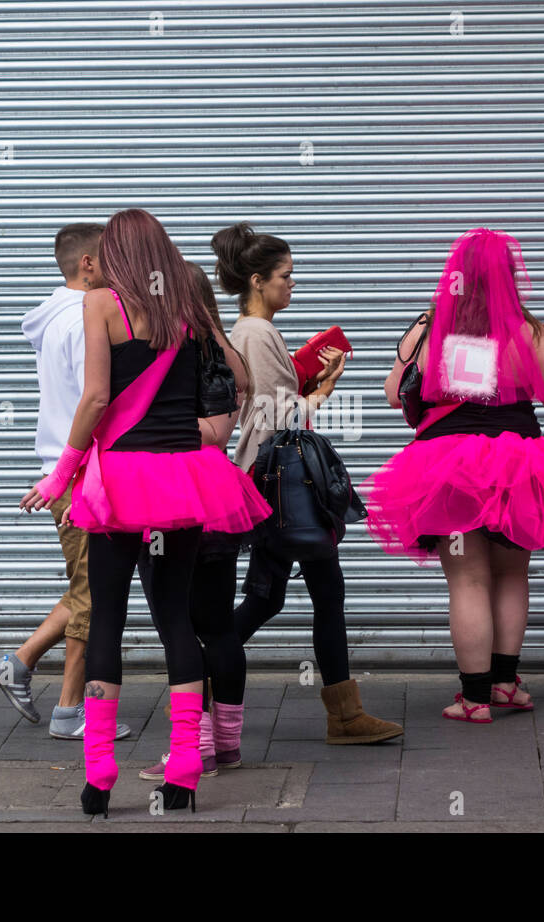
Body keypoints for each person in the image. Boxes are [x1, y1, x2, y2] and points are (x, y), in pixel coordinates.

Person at [20, 209, 271, 816]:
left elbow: (98, 397)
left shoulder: (102, 304)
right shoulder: (186, 307)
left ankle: (99, 776)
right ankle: (185, 765)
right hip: (184, 478)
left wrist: (61, 471)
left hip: (121, 483)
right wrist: (200, 425)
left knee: (106, 620)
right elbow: (240, 379)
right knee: (176, 624)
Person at [365, 228, 544, 723]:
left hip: (446, 465)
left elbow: (392, 393)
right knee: (512, 573)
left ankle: (474, 700)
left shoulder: (429, 328)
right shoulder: (527, 330)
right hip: (518, 462)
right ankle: (506, 685)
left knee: (467, 580)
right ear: (509, 277)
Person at [212, 222, 403, 745]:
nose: (292, 285)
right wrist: (328, 388)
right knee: (315, 592)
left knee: (275, 595)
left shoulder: (251, 332)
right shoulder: (256, 332)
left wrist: (311, 381)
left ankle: (209, 671)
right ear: (257, 281)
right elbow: (280, 417)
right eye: (286, 277)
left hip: (271, 481)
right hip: (282, 484)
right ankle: (339, 714)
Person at [0, 222, 128, 742]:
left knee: (89, 586)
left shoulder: (55, 318)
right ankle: (71, 711)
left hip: (68, 472)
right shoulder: (80, 321)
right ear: (88, 264)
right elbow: (94, 403)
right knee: (94, 594)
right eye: (110, 259)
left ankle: (19, 663)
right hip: (80, 475)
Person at [138, 262, 253, 781]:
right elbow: (238, 397)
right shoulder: (220, 347)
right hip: (219, 492)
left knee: (175, 624)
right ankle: (227, 743)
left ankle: (196, 744)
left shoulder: (158, 347)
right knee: (218, 624)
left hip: (165, 494)